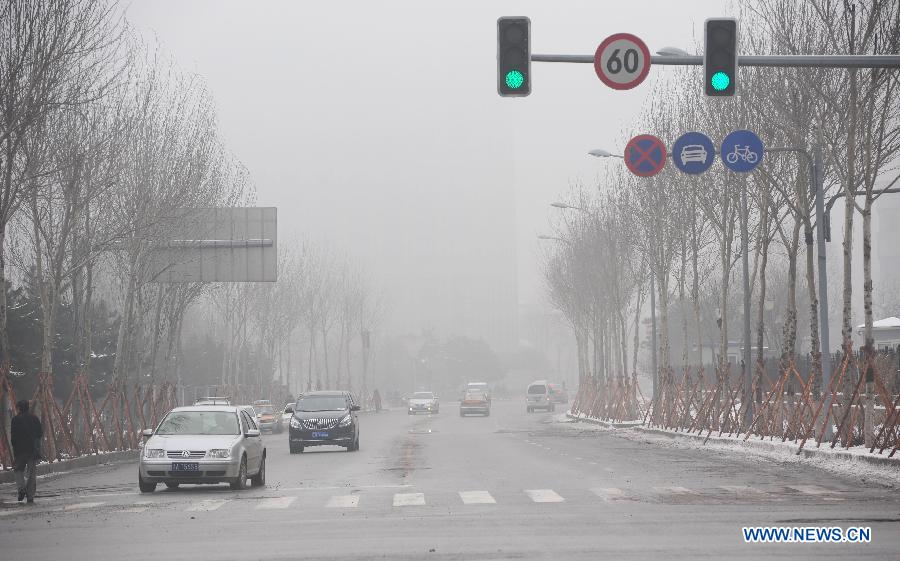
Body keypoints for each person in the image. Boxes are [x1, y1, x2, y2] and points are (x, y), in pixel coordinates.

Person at [11, 399, 43, 504]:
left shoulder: (15, 420)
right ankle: (30, 496)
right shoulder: (34, 418)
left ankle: (21, 489)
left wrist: (15, 448)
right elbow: (40, 433)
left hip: (20, 450)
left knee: (18, 470)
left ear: (19, 408)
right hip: (32, 450)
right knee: (31, 473)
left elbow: (13, 437)